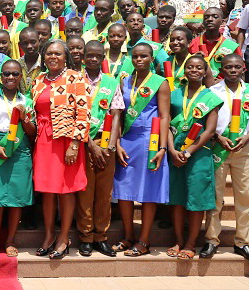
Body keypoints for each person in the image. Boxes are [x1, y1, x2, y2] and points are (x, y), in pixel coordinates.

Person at [203, 54, 249, 263]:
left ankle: (242, 242)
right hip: (218, 148)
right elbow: (206, 121)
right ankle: (212, 239)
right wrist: (217, 137)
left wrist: (247, 137)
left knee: (244, 196)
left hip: (242, 148)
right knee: (215, 196)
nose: (232, 70)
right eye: (228, 67)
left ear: (244, 69)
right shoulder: (213, 91)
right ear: (222, 69)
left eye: (237, 67)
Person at [30, 39, 89, 259]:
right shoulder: (38, 80)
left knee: (65, 190)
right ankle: (48, 235)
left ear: (66, 57)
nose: (52, 57)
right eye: (48, 54)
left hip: (66, 141)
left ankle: (64, 238)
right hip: (43, 140)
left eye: (57, 53)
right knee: (47, 191)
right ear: (43, 57)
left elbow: (83, 114)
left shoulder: (75, 78)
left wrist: (75, 144)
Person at [113, 43, 171, 257]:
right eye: (135, 56)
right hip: (127, 139)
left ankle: (144, 240)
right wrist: (117, 142)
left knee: (148, 192)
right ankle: (128, 236)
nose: (139, 60)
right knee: (124, 191)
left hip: (150, 140)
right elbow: (119, 113)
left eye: (144, 56)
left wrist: (163, 146)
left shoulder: (160, 83)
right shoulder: (124, 81)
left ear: (151, 58)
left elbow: (164, 116)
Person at [166, 55, 221, 260]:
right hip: (176, 153)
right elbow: (168, 125)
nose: (194, 70)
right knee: (178, 199)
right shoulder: (174, 95)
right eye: (190, 67)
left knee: (196, 200)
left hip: (199, 154)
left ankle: (190, 243)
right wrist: (172, 150)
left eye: (199, 67)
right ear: (185, 70)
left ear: (206, 71)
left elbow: (210, 130)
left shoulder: (211, 96)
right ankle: (179, 240)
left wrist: (189, 152)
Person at [0, 59, 35, 257]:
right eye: (6, 74)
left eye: (15, 74)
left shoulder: (27, 101)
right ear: (0, 77)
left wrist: (24, 119)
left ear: (20, 77)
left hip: (20, 151)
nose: (10, 77)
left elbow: (32, 132)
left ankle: (10, 240)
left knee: (16, 199)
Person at [75, 41, 123, 257]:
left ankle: (101, 237)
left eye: (97, 56)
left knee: (104, 194)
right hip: (84, 143)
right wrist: (91, 145)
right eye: (89, 55)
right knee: (86, 193)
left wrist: (111, 146)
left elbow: (116, 115)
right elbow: (74, 116)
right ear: (83, 57)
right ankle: (85, 236)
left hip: (106, 146)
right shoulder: (75, 81)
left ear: (103, 57)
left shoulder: (111, 83)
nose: (93, 59)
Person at [189, 7, 240, 80]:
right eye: (206, 17)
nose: (210, 19)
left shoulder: (232, 46)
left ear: (222, 22)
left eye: (215, 17)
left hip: (223, 86)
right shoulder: (193, 43)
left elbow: (240, 71)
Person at [17, 27, 41, 94]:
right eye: (25, 43)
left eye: (33, 42)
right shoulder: (17, 65)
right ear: (20, 45)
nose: (29, 46)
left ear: (39, 41)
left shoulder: (45, 65)